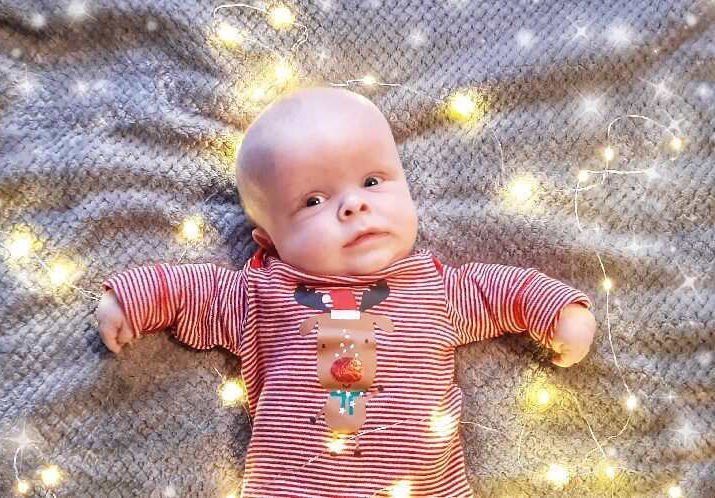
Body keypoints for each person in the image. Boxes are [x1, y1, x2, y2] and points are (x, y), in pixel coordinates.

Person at [96, 86, 596, 496]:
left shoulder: (434, 287)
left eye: (373, 181)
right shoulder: (260, 294)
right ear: (269, 241)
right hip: (292, 487)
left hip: (422, 487)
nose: (354, 206)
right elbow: (187, 289)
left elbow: (506, 291)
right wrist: (132, 301)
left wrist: (559, 311)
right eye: (313, 200)